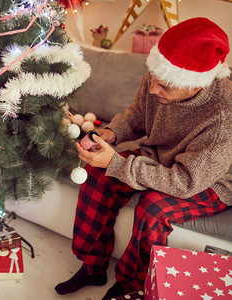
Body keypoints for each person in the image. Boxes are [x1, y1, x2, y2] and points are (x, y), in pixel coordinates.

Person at [55, 17, 231, 299]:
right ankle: (92, 266)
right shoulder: (160, 76)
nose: (153, 90)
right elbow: (138, 113)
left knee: (152, 210)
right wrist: (111, 133)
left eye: (164, 87)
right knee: (98, 178)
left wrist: (118, 163)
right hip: (160, 157)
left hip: (207, 182)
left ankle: (131, 285)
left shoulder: (223, 115)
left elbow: (185, 182)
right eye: (154, 80)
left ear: (194, 84)